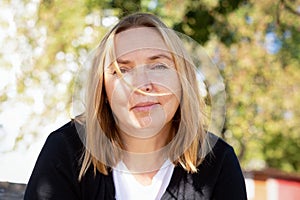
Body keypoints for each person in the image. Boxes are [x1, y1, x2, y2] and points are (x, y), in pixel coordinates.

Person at [24, 13, 247, 199]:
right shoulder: (66, 150)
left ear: (183, 80)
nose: (141, 85)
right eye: (123, 70)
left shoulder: (217, 162)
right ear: (103, 89)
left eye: (158, 66)